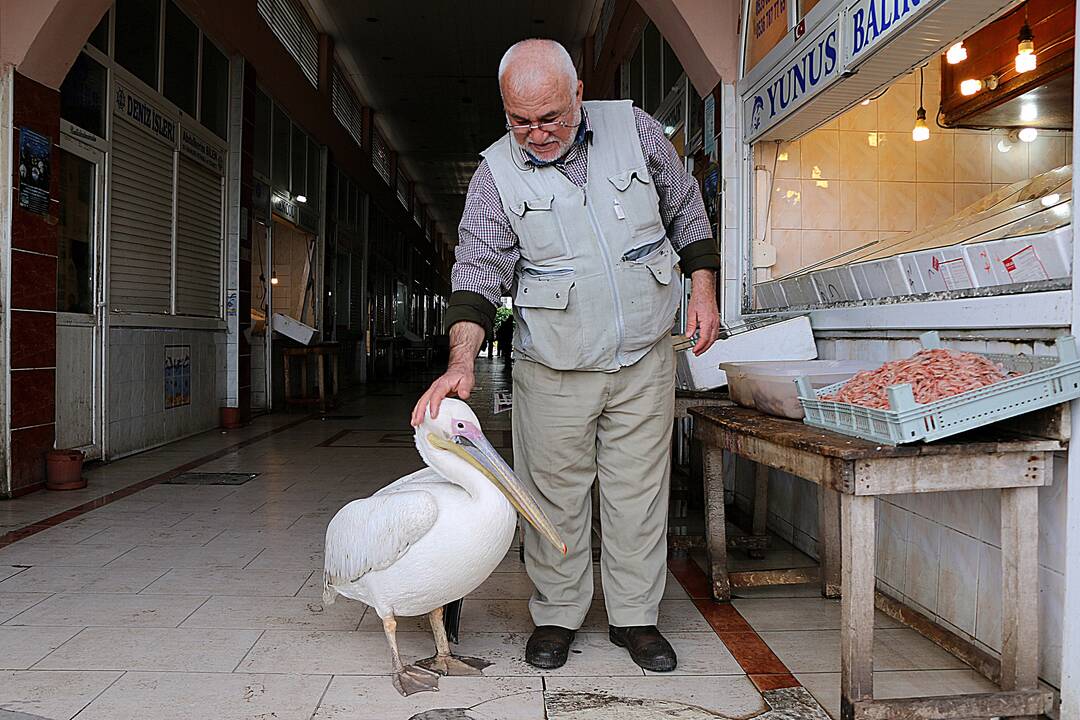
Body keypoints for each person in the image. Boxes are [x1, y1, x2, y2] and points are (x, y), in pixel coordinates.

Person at [412, 38, 719, 673]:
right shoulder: (495, 172)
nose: (536, 133)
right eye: (520, 120)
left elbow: (685, 204)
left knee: (639, 490)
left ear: (578, 94)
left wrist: (704, 288)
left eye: (550, 116)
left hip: (642, 356)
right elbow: (476, 275)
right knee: (553, 495)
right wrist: (462, 361)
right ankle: (556, 614)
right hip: (552, 367)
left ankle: (635, 617)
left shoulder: (632, 129)